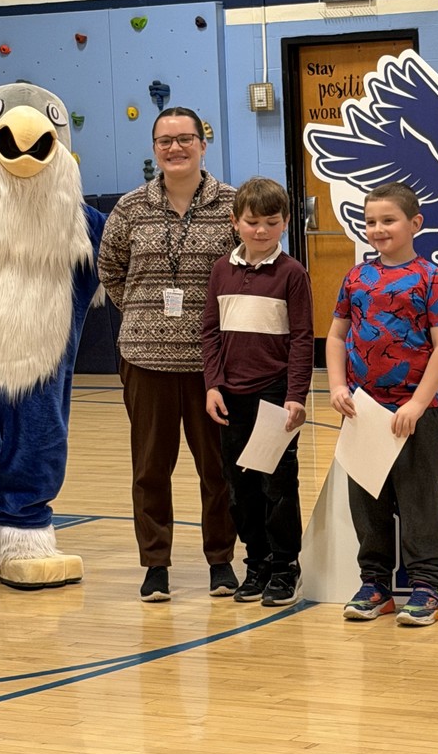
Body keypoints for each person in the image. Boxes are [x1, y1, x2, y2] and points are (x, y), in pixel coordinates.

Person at [98, 107, 239, 602]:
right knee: (150, 469)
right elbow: (110, 270)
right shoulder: (130, 207)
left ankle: (221, 561)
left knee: (217, 469)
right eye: (165, 140)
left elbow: (247, 272)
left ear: (204, 143)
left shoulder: (232, 204)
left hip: (213, 366)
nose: (175, 148)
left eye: (185, 139)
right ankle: (155, 565)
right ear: (154, 147)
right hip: (145, 359)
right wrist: (144, 316)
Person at [326, 181, 438, 626]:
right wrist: (338, 386)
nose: (378, 229)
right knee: (367, 503)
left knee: (419, 503)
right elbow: (337, 335)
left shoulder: (430, 278)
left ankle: (428, 588)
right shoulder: (356, 277)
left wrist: (419, 403)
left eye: (388, 220)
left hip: (413, 416)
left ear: (414, 223)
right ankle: (375, 584)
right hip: (364, 412)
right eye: (370, 222)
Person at [202, 177, 314, 607]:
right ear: (235, 222)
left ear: (285, 222)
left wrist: (295, 394)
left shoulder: (292, 274)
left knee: (277, 484)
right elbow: (210, 333)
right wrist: (213, 385)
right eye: (252, 222)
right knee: (239, 487)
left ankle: (286, 565)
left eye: (271, 222)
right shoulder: (220, 271)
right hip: (231, 397)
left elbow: (303, 338)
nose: (261, 231)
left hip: (274, 395)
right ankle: (259, 562)